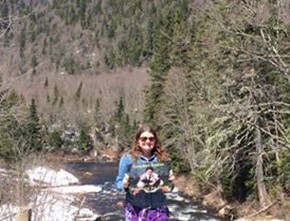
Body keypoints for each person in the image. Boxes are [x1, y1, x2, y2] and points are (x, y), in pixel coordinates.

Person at [115, 124, 175, 221]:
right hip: (135, 210)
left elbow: (168, 187)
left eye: (151, 139)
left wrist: (170, 184)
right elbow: (118, 183)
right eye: (144, 138)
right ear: (138, 140)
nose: (148, 141)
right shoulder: (127, 158)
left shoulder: (163, 159)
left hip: (158, 211)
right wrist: (124, 185)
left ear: (155, 141)